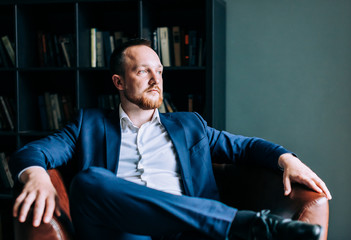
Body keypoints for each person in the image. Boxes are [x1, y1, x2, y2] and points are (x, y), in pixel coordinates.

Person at [10, 39, 331, 240]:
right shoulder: (88, 123)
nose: (155, 80)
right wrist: (36, 172)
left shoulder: (189, 125)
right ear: (118, 81)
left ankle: (239, 226)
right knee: (89, 181)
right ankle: (246, 226)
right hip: (123, 230)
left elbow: (245, 147)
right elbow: (34, 151)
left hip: (189, 232)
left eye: (159, 71)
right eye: (142, 72)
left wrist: (287, 158)